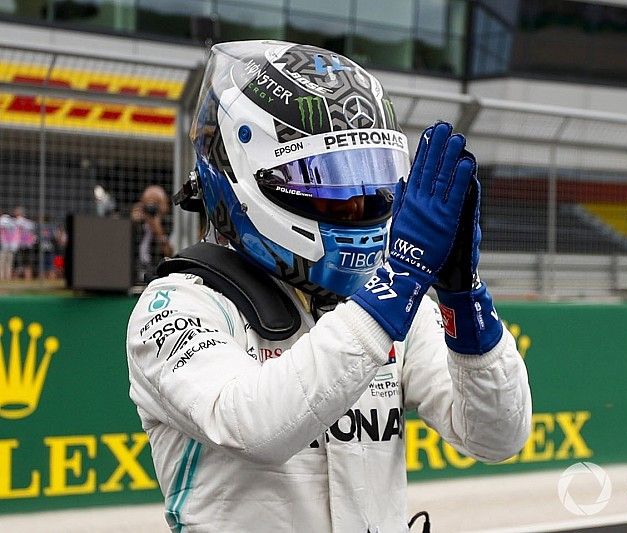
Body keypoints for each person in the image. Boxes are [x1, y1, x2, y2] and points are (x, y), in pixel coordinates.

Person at [126, 41, 531, 532]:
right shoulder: (177, 305)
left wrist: (463, 301)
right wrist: (392, 290)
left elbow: (497, 436)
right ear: (240, 176)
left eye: (368, 182)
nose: (357, 205)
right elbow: (253, 426)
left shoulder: (390, 299)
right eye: (328, 185)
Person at [131, 185, 174, 283]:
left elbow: (169, 253)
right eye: (148, 203)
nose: (152, 207)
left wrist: (157, 227)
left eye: (156, 203)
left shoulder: (168, 223)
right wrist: (131, 223)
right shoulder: (138, 223)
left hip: (157, 274)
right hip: (134, 274)